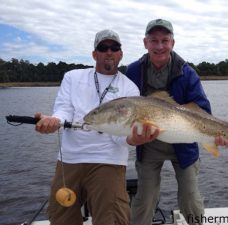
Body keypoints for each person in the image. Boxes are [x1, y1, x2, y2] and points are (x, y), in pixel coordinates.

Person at [34, 29, 147, 225]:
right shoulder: (72, 77)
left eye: (114, 47)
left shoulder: (130, 89)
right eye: (103, 48)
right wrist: (53, 121)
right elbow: (63, 110)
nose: (109, 51)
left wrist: (132, 139)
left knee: (112, 219)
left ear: (121, 54)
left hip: (108, 160)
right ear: (94, 54)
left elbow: (120, 135)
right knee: (61, 217)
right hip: (69, 159)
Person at [125, 19, 228, 225]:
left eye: (165, 40)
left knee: (190, 198)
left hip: (184, 142)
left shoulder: (187, 72)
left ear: (173, 43)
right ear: (145, 43)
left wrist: (216, 134)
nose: (159, 46)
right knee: (145, 199)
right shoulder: (133, 71)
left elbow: (203, 109)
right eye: (154, 41)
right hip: (149, 144)